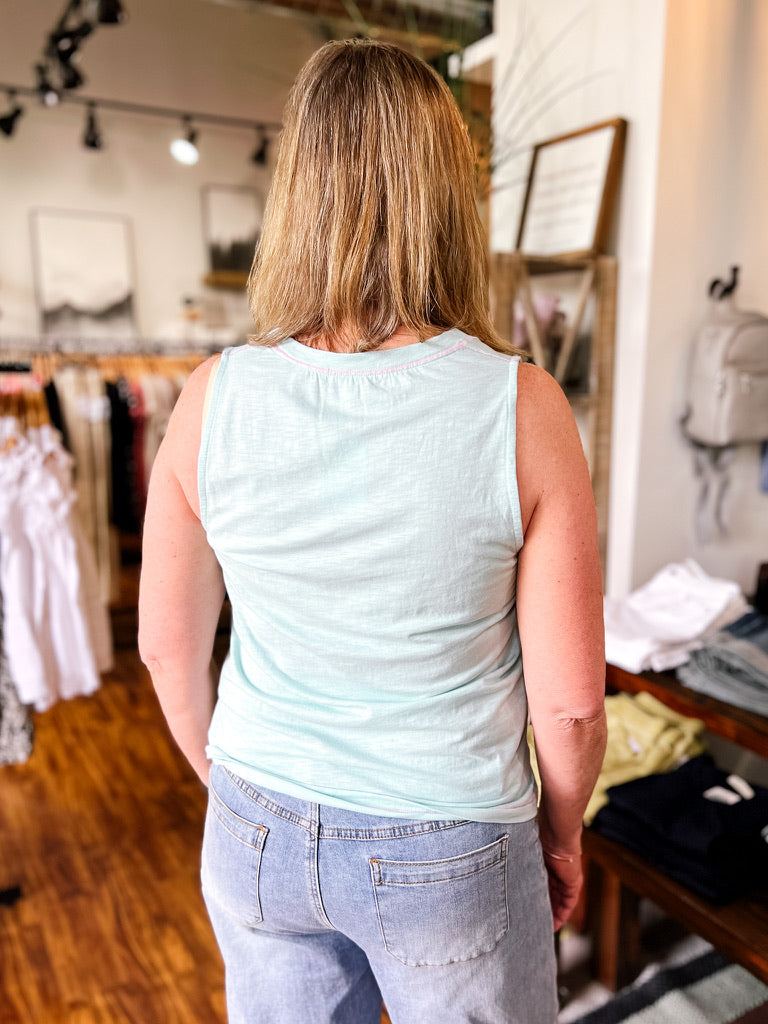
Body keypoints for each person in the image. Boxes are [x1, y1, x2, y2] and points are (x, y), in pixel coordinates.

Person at [138, 38, 606, 1024]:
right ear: (447, 194)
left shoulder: (211, 397)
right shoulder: (521, 407)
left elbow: (165, 650)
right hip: (450, 840)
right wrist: (561, 838)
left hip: (255, 821)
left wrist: (236, 786)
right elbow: (566, 706)